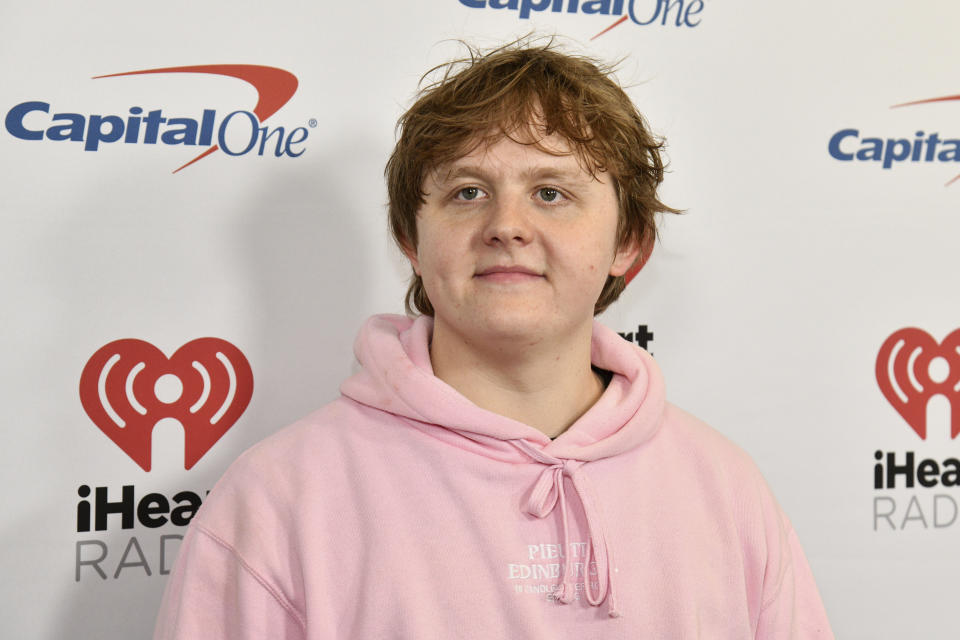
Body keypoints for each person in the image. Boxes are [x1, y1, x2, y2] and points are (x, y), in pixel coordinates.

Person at [153, 40, 834, 639]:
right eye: (469, 192)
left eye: (550, 193)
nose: (507, 225)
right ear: (411, 242)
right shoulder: (277, 500)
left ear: (628, 243)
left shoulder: (726, 489)